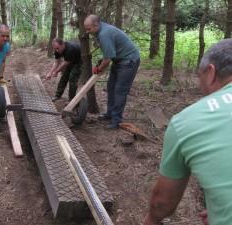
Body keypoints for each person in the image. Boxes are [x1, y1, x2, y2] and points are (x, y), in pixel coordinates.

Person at [144, 39, 232, 225]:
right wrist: (222, 208)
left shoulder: (188, 120)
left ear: (210, 72)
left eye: (199, 76)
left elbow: (162, 203)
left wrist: (151, 221)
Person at [84, 15, 140, 129]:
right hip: (119, 60)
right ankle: (109, 114)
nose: (87, 31)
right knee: (111, 87)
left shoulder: (104, 34)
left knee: (120, 91)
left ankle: (116, 120)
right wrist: (99, 64)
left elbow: (108, 58)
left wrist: (99, 68)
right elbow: (108, 53)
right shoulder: (102, 30)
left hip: (129, 61)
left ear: (96, 25)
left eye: (89, 28)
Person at [45, 38, 81, 102]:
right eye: (55, 49)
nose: (56, 50)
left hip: (80, 61)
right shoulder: (57, 50)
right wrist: (50, 73)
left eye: (57, 48)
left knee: (72, 78)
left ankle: (71, 100)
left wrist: (56, 71)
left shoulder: (70, 49)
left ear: (63, 45)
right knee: (64, 77)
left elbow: (65, 63)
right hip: (70, 60)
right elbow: (56, 62)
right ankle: (57, 95)